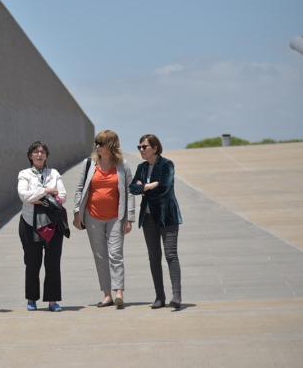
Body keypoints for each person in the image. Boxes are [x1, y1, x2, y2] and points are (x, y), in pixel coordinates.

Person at [72, 130, 135, 310]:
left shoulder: (123, 166)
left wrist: (129, 218)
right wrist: (77, 212)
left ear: (111, 146)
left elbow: (130, 192)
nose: (97, 146)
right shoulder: (89, 164)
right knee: (100, 256)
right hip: (92, 217)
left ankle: (119, 293)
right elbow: (79, 189)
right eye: (96, 143)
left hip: (116, 217)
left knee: (116, 255)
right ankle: (107, 295)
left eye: (101, 143)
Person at [129, 134, 183, 309]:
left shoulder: (167, 165)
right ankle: (159, 296)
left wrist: (144, 187)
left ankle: (176, 296)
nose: (141, 150)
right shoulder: (141, 167)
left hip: (167, 216)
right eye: (139, 147)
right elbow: (132, 188)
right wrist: (148, 186)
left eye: (144, 147)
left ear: (155, 148)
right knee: (154, 257)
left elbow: (164, 188)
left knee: (171, 255)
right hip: (148, 218)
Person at [17, 141, 68, 312]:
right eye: (36, 152)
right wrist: (47, 191)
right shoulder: (24, 174)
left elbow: (62, 195)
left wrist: (38, 197)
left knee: (53, 262)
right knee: (32, 262)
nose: (39, 155)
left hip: (53, 223)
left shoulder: (54, 173)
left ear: (46, 155)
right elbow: (24, 195)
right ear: (30, 155)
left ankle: (53, 300)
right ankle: (32, 299)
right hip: (29, 222)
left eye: (43, 152)